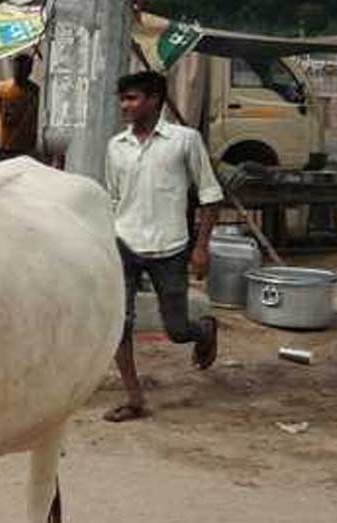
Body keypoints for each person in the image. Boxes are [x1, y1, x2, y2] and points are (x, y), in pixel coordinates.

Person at [104, 71, 223, 423]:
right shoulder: (116, 146)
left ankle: (203, 330)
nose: (126, 105)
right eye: (123, 99)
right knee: (119, 325)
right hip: (123, 244)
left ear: (154, 99)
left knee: (176, 329)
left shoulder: (185, 140)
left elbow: (210, 195)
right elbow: (112, 199)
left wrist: (202, 246)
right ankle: (134, 398)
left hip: (170, 246)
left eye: (133, 98)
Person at [0, 54, 39, 157]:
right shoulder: (1, 87)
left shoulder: (35, 90)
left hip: (26, 145)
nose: (18, 71)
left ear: (29, 70)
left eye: (23, 68)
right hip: (4, 144)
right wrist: (0, 113)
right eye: (16, 67)